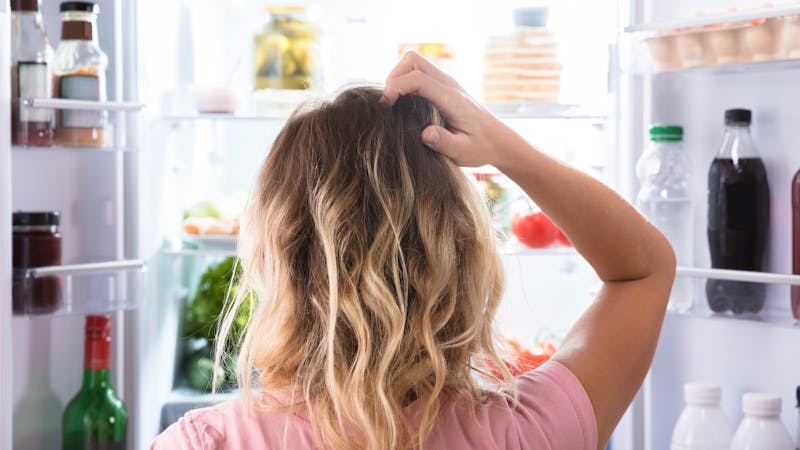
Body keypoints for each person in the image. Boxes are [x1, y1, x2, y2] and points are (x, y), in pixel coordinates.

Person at [152, 53, 675, 450]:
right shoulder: (525, 430)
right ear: (462, 251)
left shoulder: (204, 441)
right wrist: (500, 145)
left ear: (276, 256)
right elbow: (644, 270)